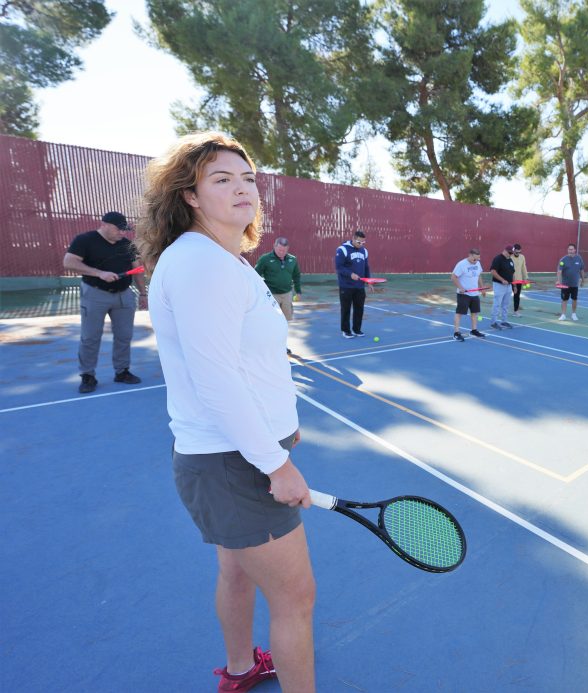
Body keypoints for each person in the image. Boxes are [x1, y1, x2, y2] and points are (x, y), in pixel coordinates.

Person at [136, 131, 316, 693]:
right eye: (222, 179)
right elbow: (217, 381)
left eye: (247, 179)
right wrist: (274, 463)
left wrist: (283, 431)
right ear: (189, 195)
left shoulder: (225, 259)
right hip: (235, 462)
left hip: (238, 453)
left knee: (235, 568)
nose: (242, 189)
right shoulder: (200, 263)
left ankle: (241, 670)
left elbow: (247, 363)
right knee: (295, 599)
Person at [62, 211, 144, 393]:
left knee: (124, 335)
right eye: (119, 229)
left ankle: (122, 371)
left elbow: (137, 269)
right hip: (95, 294)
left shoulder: (127, 244)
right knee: (90, 337)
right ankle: (88, 375)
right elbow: (69, 262)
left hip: (124, 294)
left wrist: (143, 293)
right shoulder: (85, 240)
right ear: (104, 224)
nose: (122, 233)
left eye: (125, 230)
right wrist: (99, 273)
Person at [335, 230, 372, 338]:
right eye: (359, 242)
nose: (361, 244)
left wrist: (368, 281)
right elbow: (339, 268)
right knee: (346, 309)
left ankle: (357, 329)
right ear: (353, 239)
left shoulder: (364, 251)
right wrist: (350, 274)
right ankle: (346, 331)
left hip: (359, 286)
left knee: (359, 308)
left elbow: (366, 267)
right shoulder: (342, 250)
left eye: (363, 242)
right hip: (346, 286)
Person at [254, 237, 302, 321]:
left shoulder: (292, 259)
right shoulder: (265, 259)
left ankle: (286, 333)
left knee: (288, 319)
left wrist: (298, 292)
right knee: (273, 319)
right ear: (274, 246)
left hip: (287, 294)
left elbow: (296, 276)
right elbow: (255, 276)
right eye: (279, 249)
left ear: (287, 249)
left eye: (284, 250)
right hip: (272, 294)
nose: (282, 252)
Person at [451, 248, 488, 341]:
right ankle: (456, 333)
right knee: (459, 313)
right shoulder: (461, 264)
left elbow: (479, 275)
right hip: (463, 294)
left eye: (478, 259)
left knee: (475, 313)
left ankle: (474, 330)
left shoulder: (477, 263)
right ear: (470, 255)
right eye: (474, 259)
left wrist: (482, 288)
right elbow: (453, 277)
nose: (476, 261)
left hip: (474, 293)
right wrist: (460, 287)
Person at [489, 244, 515, 330]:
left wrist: (514, 285)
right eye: (509, 252)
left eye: (512, 253)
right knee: (497, 304)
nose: (510, 254)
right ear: (505, 250)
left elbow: (512, 273)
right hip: (499, 285)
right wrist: (502, 280)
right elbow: (493, 271)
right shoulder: (498, 259)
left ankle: (504, 321)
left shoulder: (510, 260)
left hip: (509, 286)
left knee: (506, 304)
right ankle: (493, 322)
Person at [556, 242, 585, 321]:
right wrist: (558, 281)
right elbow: (559, 271)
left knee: (574, 299)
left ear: (575, 250)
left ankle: (574, 314)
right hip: (565, 284)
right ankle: (563, 315)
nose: (570, 251)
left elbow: (582, 270)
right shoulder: (563, 260)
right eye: (569, 249)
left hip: (575, 284)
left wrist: (583, 280)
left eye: (572, 249)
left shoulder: (579, 259)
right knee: (564, 299)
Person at [511, 243, 529, 316]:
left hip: (519, 280)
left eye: (519, 252)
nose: (517, 253)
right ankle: (501, 311)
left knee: (517, 296)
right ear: (513, 250)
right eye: (516, 252)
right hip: (510, 280)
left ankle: (516, 311)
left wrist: (526, 278)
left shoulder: (522, 257)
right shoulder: (510, 257)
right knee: (504, 296)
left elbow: (523, 268)